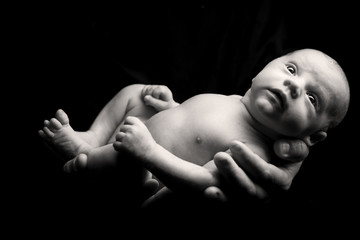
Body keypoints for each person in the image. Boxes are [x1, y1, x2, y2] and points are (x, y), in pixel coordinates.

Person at [39, 48, 349, 207]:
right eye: (291, 70)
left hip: (149, 175)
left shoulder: (252, 151)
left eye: (311, 98)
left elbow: (204, 180)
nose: (293, 86)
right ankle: (92, 137)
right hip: (138, 138)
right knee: (138, 93)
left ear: (314, 137)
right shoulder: (233, 101)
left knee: (128, 162)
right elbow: (192, 122)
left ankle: (87, 161)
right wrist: (171, 105)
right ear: (262, 69)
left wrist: (149, 152)